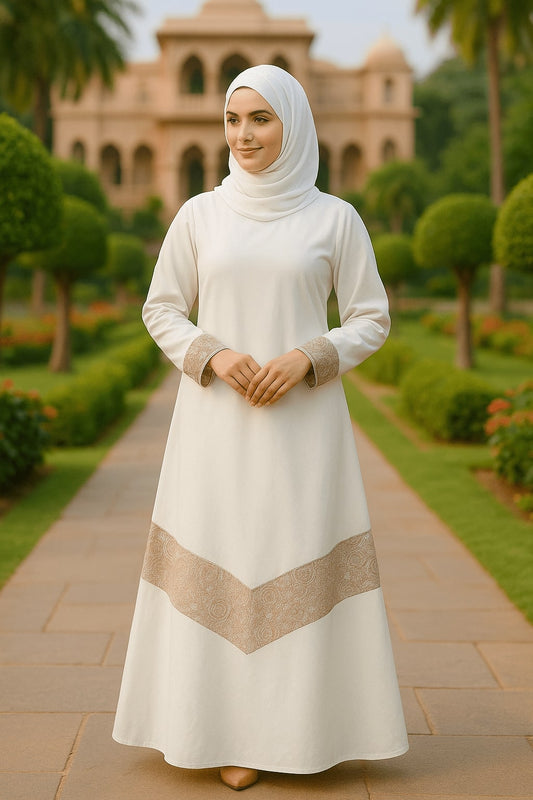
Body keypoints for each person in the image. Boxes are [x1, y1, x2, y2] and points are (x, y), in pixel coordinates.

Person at [112, 64, 408, 792]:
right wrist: (213, 354)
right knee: (220, 556)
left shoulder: (333, 218)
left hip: (304, 430)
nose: (242, 134)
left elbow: (371, 316)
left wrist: (311, 356)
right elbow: (161, 308)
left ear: (292, 124)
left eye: (260, 119)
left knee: (294, 553)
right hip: (213, 426)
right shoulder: (198, 216)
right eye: (233, 119)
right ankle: (223, 733)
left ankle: (304, 730)